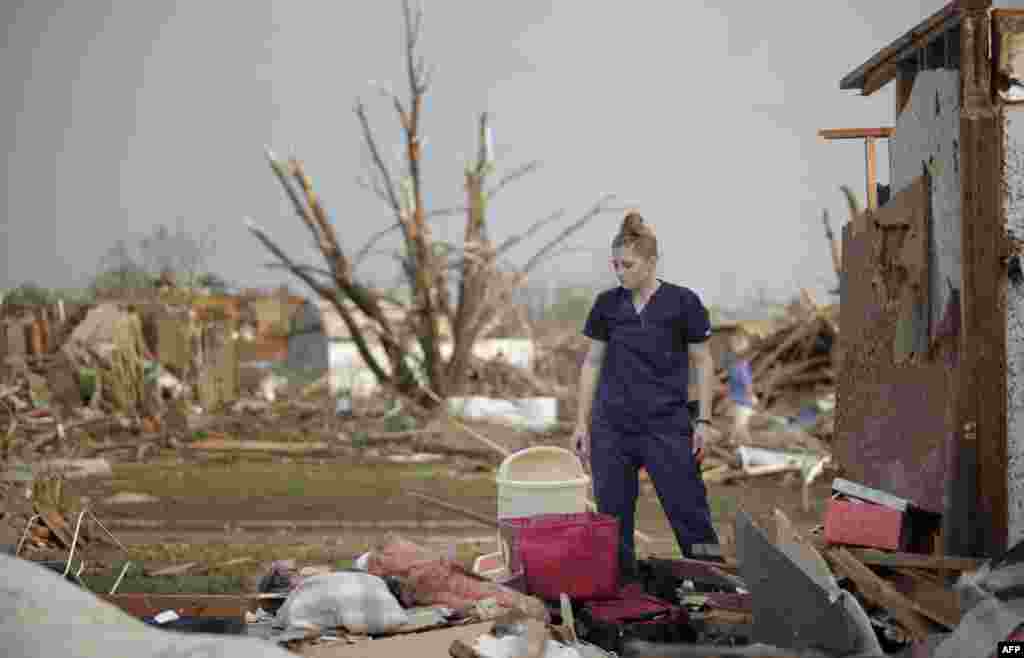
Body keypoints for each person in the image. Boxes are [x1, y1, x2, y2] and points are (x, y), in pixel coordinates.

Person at [572, 212, 722, 579]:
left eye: (627, 264)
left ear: (651, 262)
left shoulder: (683, 303)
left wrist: (703, 420)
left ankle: (716, 584)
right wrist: (581, 424)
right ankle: (623, 595)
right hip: (613, 427)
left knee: (690, 511)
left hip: (666, 425)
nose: (619, 272)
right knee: (613, 520)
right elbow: (592, 363)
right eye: (615, 264)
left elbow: (703, 362)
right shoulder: (607, 305)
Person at [726, 332, 757, 445]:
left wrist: (751, 396)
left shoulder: (737, 366)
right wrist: (751, 397)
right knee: (740, 424)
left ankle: (733, 442)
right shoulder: (740, 366)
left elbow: (744, 384)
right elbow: (746, 383)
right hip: (741, 400)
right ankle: (744, 443)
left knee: (739, 424)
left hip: (740, 400)